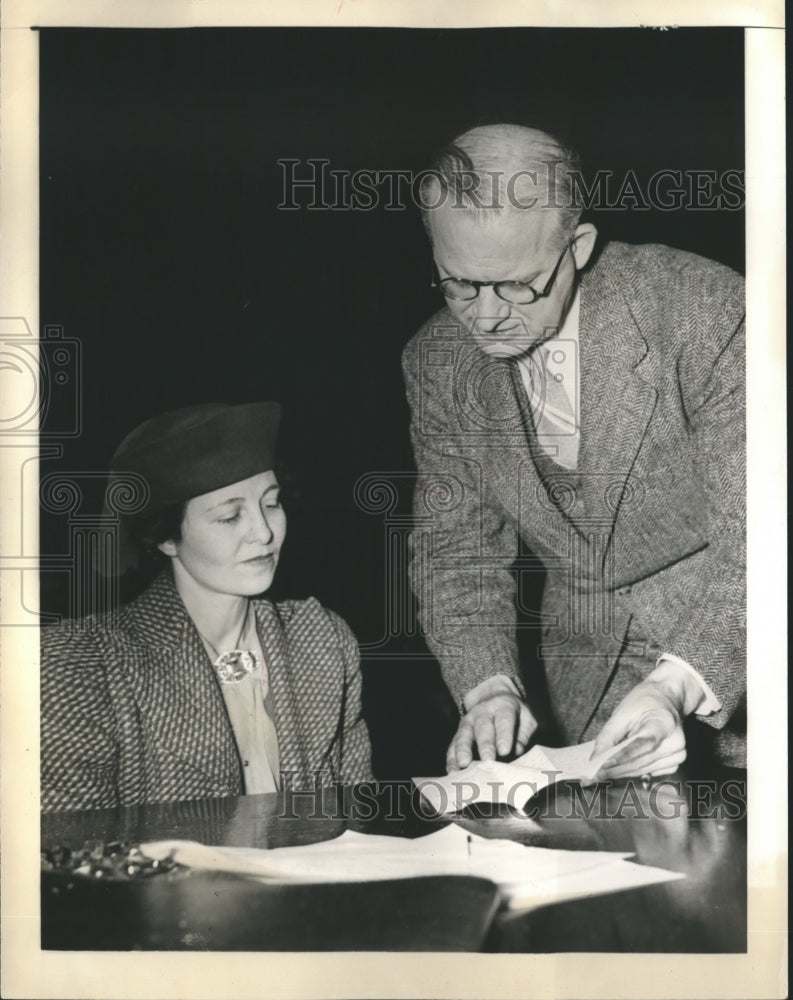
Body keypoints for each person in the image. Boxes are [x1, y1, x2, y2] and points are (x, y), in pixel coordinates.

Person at [403, 124, 745, 778]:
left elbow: (758, 532)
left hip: (745, 691)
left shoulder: (702, 308)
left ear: (577, 247)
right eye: (458, 285)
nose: (486, 315)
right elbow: (457, 548)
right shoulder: (435, 360)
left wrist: (672, 684)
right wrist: (488, 687)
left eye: (517, 285)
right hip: (583, 703)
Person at [40, 402, 373, 812]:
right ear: (166, 537)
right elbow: (68, 855)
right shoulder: (80, 663)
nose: (264, 532)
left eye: (271, 503)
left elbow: (359, 820)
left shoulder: (323, 637)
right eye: (230, 517)